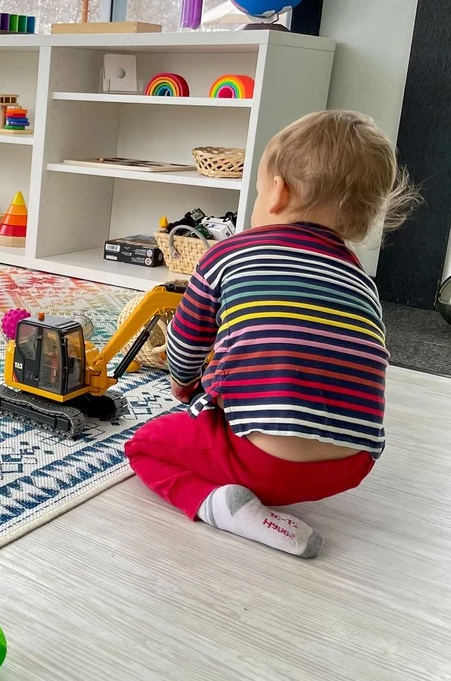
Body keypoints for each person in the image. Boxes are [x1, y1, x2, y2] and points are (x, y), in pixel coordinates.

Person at [124, 110, 419, 558]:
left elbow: (185, 343)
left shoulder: (227, 253)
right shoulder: (362, 281)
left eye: (260, 190)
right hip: (352, 465)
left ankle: (222, 508)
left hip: (267, 463)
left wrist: (184, 386)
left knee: (144, 447)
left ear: (278, 192)